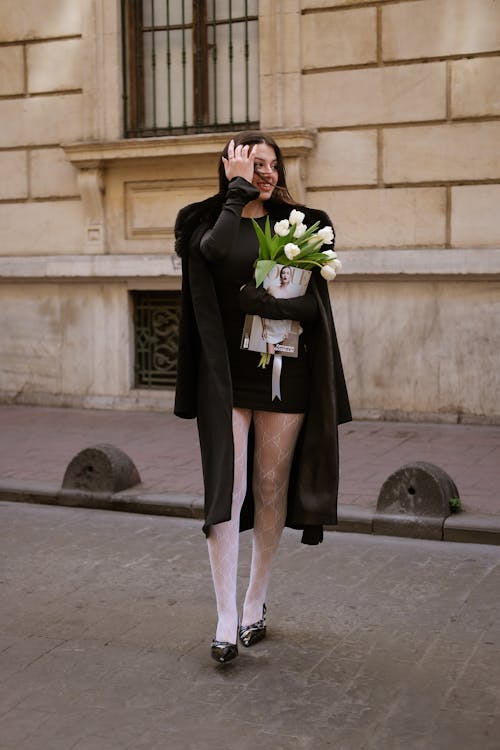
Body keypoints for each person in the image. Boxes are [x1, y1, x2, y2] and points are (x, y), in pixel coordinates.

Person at [174, 131, 351, 664]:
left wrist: (269, 306)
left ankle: (256, 600)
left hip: (286, 371)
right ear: (230, 167)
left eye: (273, 164)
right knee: (227, 487)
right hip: (224, 376)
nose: (267, 172)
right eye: (255, 164)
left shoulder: (307, 224)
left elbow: (313, 308)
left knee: (272, 486)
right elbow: (214, 251)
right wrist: (235, 194)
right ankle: (224, 615)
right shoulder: (202, 220)